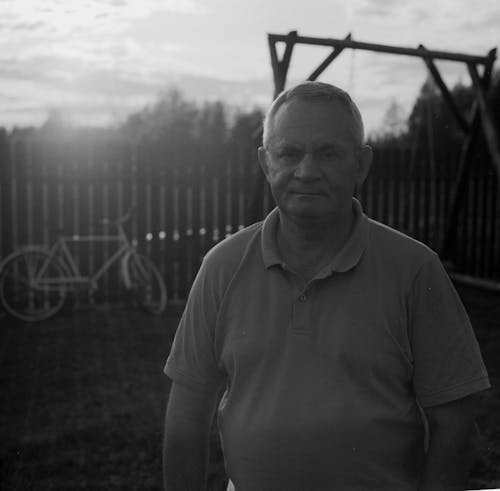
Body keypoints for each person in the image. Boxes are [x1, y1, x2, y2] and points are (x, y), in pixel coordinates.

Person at [162, 81, 490, 490]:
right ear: (266, 163)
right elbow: (187, 415)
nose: (307, 171)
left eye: (329, 153)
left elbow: (456, 423)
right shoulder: (222, 267)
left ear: (361, 164)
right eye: (289, 153)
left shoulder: (415, 270)